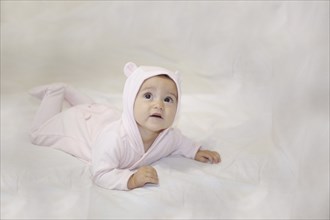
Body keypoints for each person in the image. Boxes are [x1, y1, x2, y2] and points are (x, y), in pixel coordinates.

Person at [29, 62, 221, 190]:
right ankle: (55, 92)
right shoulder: (115, 139)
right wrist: (131, 180)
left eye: (168, 99)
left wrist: (195, 151)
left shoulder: (168, 136)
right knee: (38, 134)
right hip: (81, 125)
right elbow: (100, 172)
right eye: (148, 96)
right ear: (130, 101)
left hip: (102, 116)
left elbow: (180, 142)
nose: (158, 105)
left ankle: (70, 92)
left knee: (94, 108)